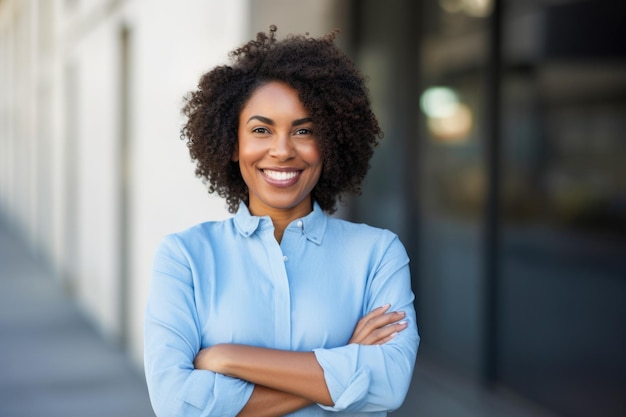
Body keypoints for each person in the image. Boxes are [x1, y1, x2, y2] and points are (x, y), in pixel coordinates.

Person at [144, 25, 419, 417]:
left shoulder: (378, 254)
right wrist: (346, 362)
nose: (282, 150)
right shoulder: (184, 257)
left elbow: (389, 385)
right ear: (232, 143)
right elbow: (176, 405)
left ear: (330, 143)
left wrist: (228, 357)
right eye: (261, 130)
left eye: (304, 131)